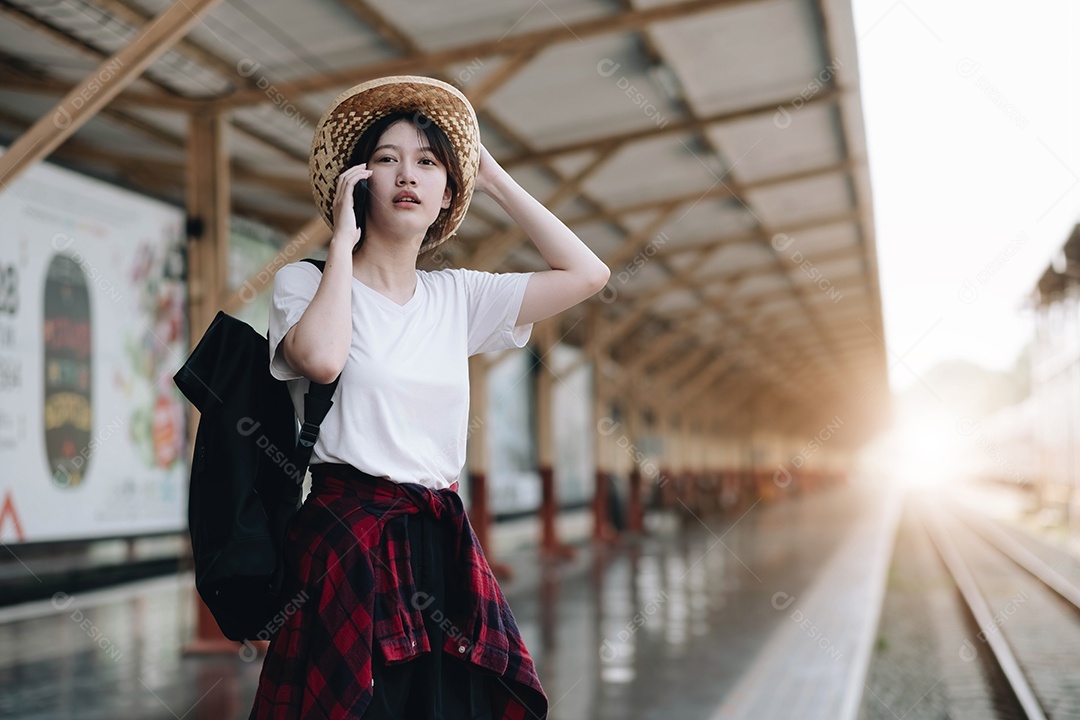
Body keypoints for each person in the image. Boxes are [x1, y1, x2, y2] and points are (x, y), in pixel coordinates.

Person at [248, 76, 609, 719]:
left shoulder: (457, 297)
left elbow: (588, 273)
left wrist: (491, 177)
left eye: (428, 162)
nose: (407, 175)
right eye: (386, 159)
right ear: (359, 183)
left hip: (438, 544)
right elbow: (322, 359)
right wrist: (340, 243)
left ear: (446, 195)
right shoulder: (305, 283)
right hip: (346, 541)